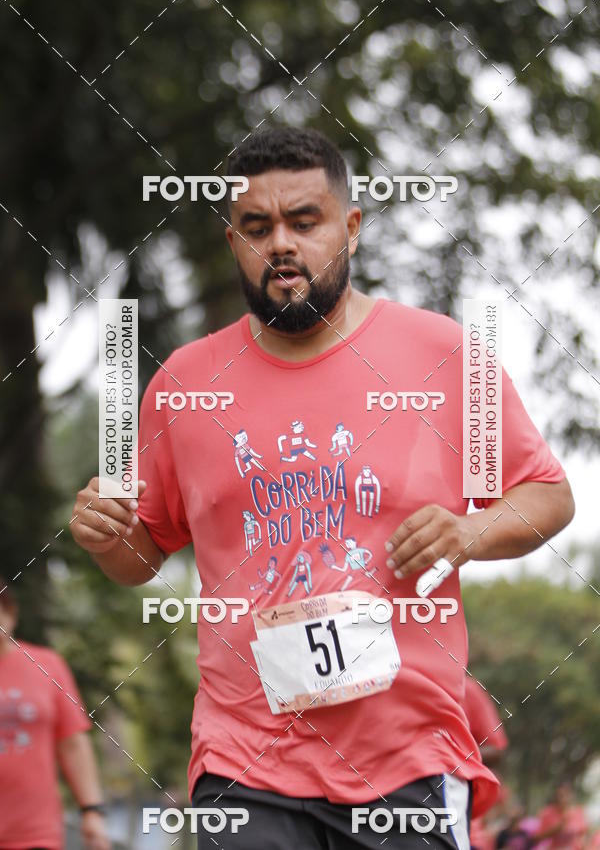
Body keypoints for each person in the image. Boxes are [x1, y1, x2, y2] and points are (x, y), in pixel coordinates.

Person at [70, 127, 575, 849]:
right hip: (246, 760)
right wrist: (107, 534)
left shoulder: (445, 355)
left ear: (351, 227)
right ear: (233, 242)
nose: (282, 244)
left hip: (407, 760)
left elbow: (548, 493)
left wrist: (469, 532)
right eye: (257, 227)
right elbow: (143, 553)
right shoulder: (182, 383)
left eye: (305, 222)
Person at [0, 577, 110, 850]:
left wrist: (91, 811)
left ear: (10, 613)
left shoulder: (47, 665)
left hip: (34, 833)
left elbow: (73, 743)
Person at [463, 676, 508, 850]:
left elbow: (496, 748)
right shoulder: (380, 676)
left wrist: (452, 759)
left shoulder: (467, 687)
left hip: (462, 831)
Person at [535, 783, 587, 849]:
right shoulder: (548, 812)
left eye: (566, 794)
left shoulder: (578, 812)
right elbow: (536, 838)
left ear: (572, 795)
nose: (563, 798)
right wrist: (555, 830)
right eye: (560, 795)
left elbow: (583, 835)